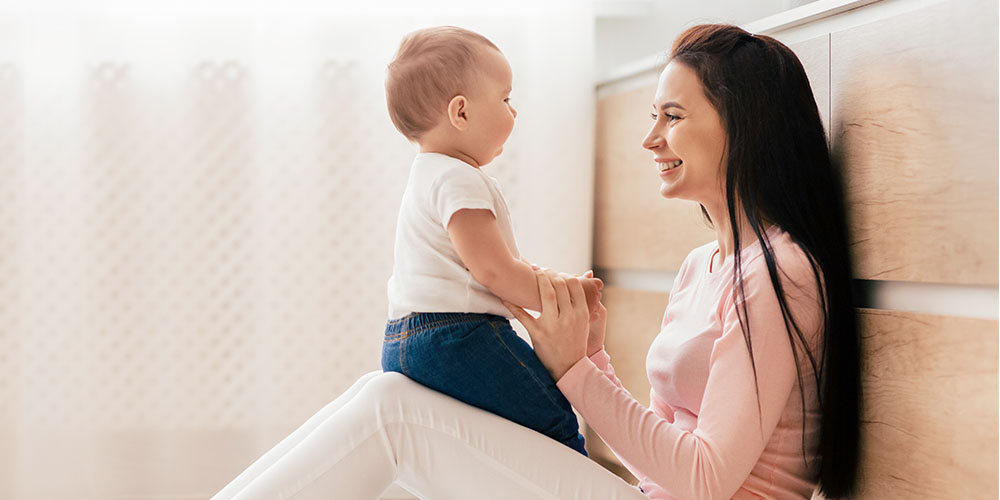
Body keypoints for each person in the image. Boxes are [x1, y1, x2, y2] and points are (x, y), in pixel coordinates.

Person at [210, 23, 862, 500]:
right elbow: (658, 468)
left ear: (743, 124)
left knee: (393, 413)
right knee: (387, 394)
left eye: (671, 115)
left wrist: (576, 371)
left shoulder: (782, 275)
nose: (650, 137)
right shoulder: (702, 267)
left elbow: (703, 481)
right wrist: (593, 359)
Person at [377, 25, 602, 458]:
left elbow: (487, 262)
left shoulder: (426, 175)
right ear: (460, 113)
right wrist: (565, 295)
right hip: (457, 337)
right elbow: (494, 270)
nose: (513, 113)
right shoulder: (459, 178)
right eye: (505, 99)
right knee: (553, 418)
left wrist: (546, 277)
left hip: (402, 340)